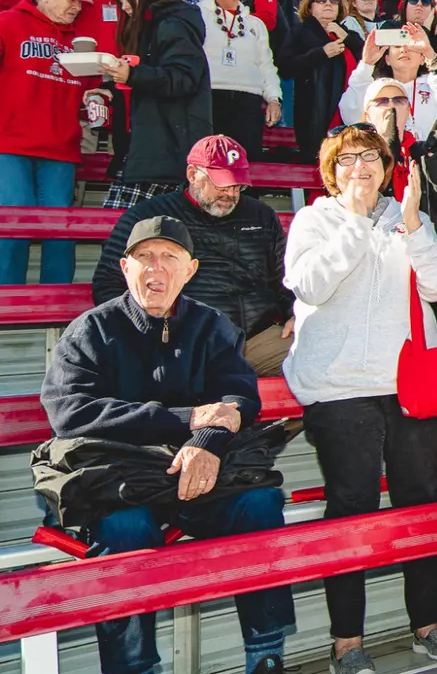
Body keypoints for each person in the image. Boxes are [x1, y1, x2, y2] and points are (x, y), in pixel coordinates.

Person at [39, 214, 295, 674]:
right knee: (125, 531)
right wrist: (185, 418)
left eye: (169, 257)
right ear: (125, 266)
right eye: (145, 258)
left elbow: (238, 397)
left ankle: (267, 653)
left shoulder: (211, 326)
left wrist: (206, 442)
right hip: (121, 481)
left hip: (192, 476)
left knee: (260, 503)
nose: (156, 268)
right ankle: (134, 668)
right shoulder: (91, 330)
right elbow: (69, 412)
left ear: (190, 269)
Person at [282, 126, 437, 674]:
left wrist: (411, 227)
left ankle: (425, 624)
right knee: (352, 509)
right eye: (346, 159)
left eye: (370, 158)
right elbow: (309, 284)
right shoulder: (316, 219)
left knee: (419, 501)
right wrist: (357, 221)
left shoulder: (410, 214)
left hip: (409, 386)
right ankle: (347, 642)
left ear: (387, 167)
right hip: (339, 390)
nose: (359, 167)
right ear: (331, 170)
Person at [91, 136, 293, 374]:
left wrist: (294, 313)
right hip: (186, 343)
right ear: (192, 175)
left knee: (332, 358)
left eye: (237, 185)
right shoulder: (150, 217)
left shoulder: (262, 215)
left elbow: (286, 279)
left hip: (258, 338)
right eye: (221, 183)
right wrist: (152, 331)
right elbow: (109, 283)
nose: (230, 193)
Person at [0, 0, 96, 285]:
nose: (76, 6)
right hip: (9, 145)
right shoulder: (7, 23)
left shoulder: (81, 42)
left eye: (81, 0)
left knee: (61, 232)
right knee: (12, 224)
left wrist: (98, 94)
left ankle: (59, 311)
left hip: (62, 148)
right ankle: (7, 305)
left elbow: (92, 89)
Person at [101, 0, 212, 207]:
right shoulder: (155, 25)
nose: (124, 7)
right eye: (119, 2)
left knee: (126, 235)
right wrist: (111, 87)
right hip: (147, 150)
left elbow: (183, 78)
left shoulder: (170, 25)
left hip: (164, 150)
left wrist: (132, 74)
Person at [197, 0, 281, 159]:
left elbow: (265, 64)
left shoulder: (255, 24)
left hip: (248, 100)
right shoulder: (197, 16)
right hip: (209, 96)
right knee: (207, 159)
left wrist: (273, 99)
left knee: (246, 161)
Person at [277, 0, 365, 163]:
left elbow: (367, 58)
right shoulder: (299, 32)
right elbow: (285, 67)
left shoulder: (347, 33)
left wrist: (346, 37)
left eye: (334, 0)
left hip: (347, 109)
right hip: (314, 110)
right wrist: (320, 53)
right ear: (310, 5)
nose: (328, 3)